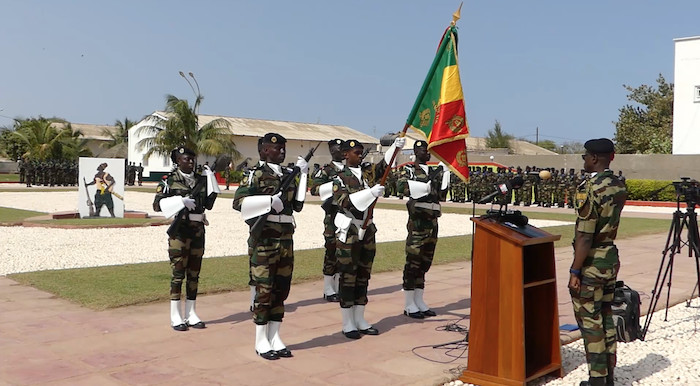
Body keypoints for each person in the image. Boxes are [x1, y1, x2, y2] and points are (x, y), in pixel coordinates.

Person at [233, 133, 308, 360]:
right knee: (264, 292)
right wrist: (267, 202)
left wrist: (303, 175)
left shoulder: (288, 174)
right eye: (276, 148)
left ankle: (275, 336)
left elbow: (298, 205)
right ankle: (260, 340)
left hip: (285, 239)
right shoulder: (254, 174)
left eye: (283, 148)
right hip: (264, 240)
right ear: (264, 150)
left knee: (281, 290)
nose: (281, 152)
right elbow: (238, 202)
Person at [569, 138, 627, 386]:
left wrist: (575, 269)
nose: (584, 160)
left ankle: (597, 380)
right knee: (605, 318)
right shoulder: (618, 185)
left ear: (594, 158)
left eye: (585, 156)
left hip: (592, 262)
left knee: (590, 322)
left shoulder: (590, 188)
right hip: (610, 259)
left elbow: (584, 235)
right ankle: (608, 375)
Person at [332, 137, 402, 339]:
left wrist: (394, 149)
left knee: (363, 275)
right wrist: (370, 193)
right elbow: (345, 202)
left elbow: (384, 166)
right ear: (345, 154)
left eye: (361, 152)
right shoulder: (339, 178)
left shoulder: (367, 173)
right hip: (350, 231)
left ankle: (360, 318)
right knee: (348, 277)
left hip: (368, 230)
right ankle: (348, 322)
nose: (360, 155)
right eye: (356, 152)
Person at [153, 146, 218, 332]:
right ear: (177, 161)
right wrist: (180, 201)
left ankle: (191, 312)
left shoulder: (201, 180)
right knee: (178, 273)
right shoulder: (169, 180)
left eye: (192, 158)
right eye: (186, 159)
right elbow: (157, 205)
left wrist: (211, 180)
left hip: (197, 230)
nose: (190, 161)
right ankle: (175, 314)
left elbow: (209, 204)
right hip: (179, 231)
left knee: (194, 273)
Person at [396, 140, 450, 319]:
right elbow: (401, 187)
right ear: (416, 152)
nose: (427, 153)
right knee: (413, 263)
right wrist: (424, 186)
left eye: (428, 150)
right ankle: (408, 303)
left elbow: (441, 196)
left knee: (425, 263)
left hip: (432, 223)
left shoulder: (434, 171)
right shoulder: (410, 170)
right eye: (423, 150)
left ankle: (419, 300)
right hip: (417, 224)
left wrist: (447, 174)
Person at [309, 138, 345, 302]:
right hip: (332, 216)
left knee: (344, 252)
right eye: (337, 148)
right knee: (331, 251)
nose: (340, 150)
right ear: (331, 150)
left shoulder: (350, 169)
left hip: (347, 215)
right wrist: (334, 185)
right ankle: (328, 288)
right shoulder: (325, 170)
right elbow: (315, 190)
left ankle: (339, 286)